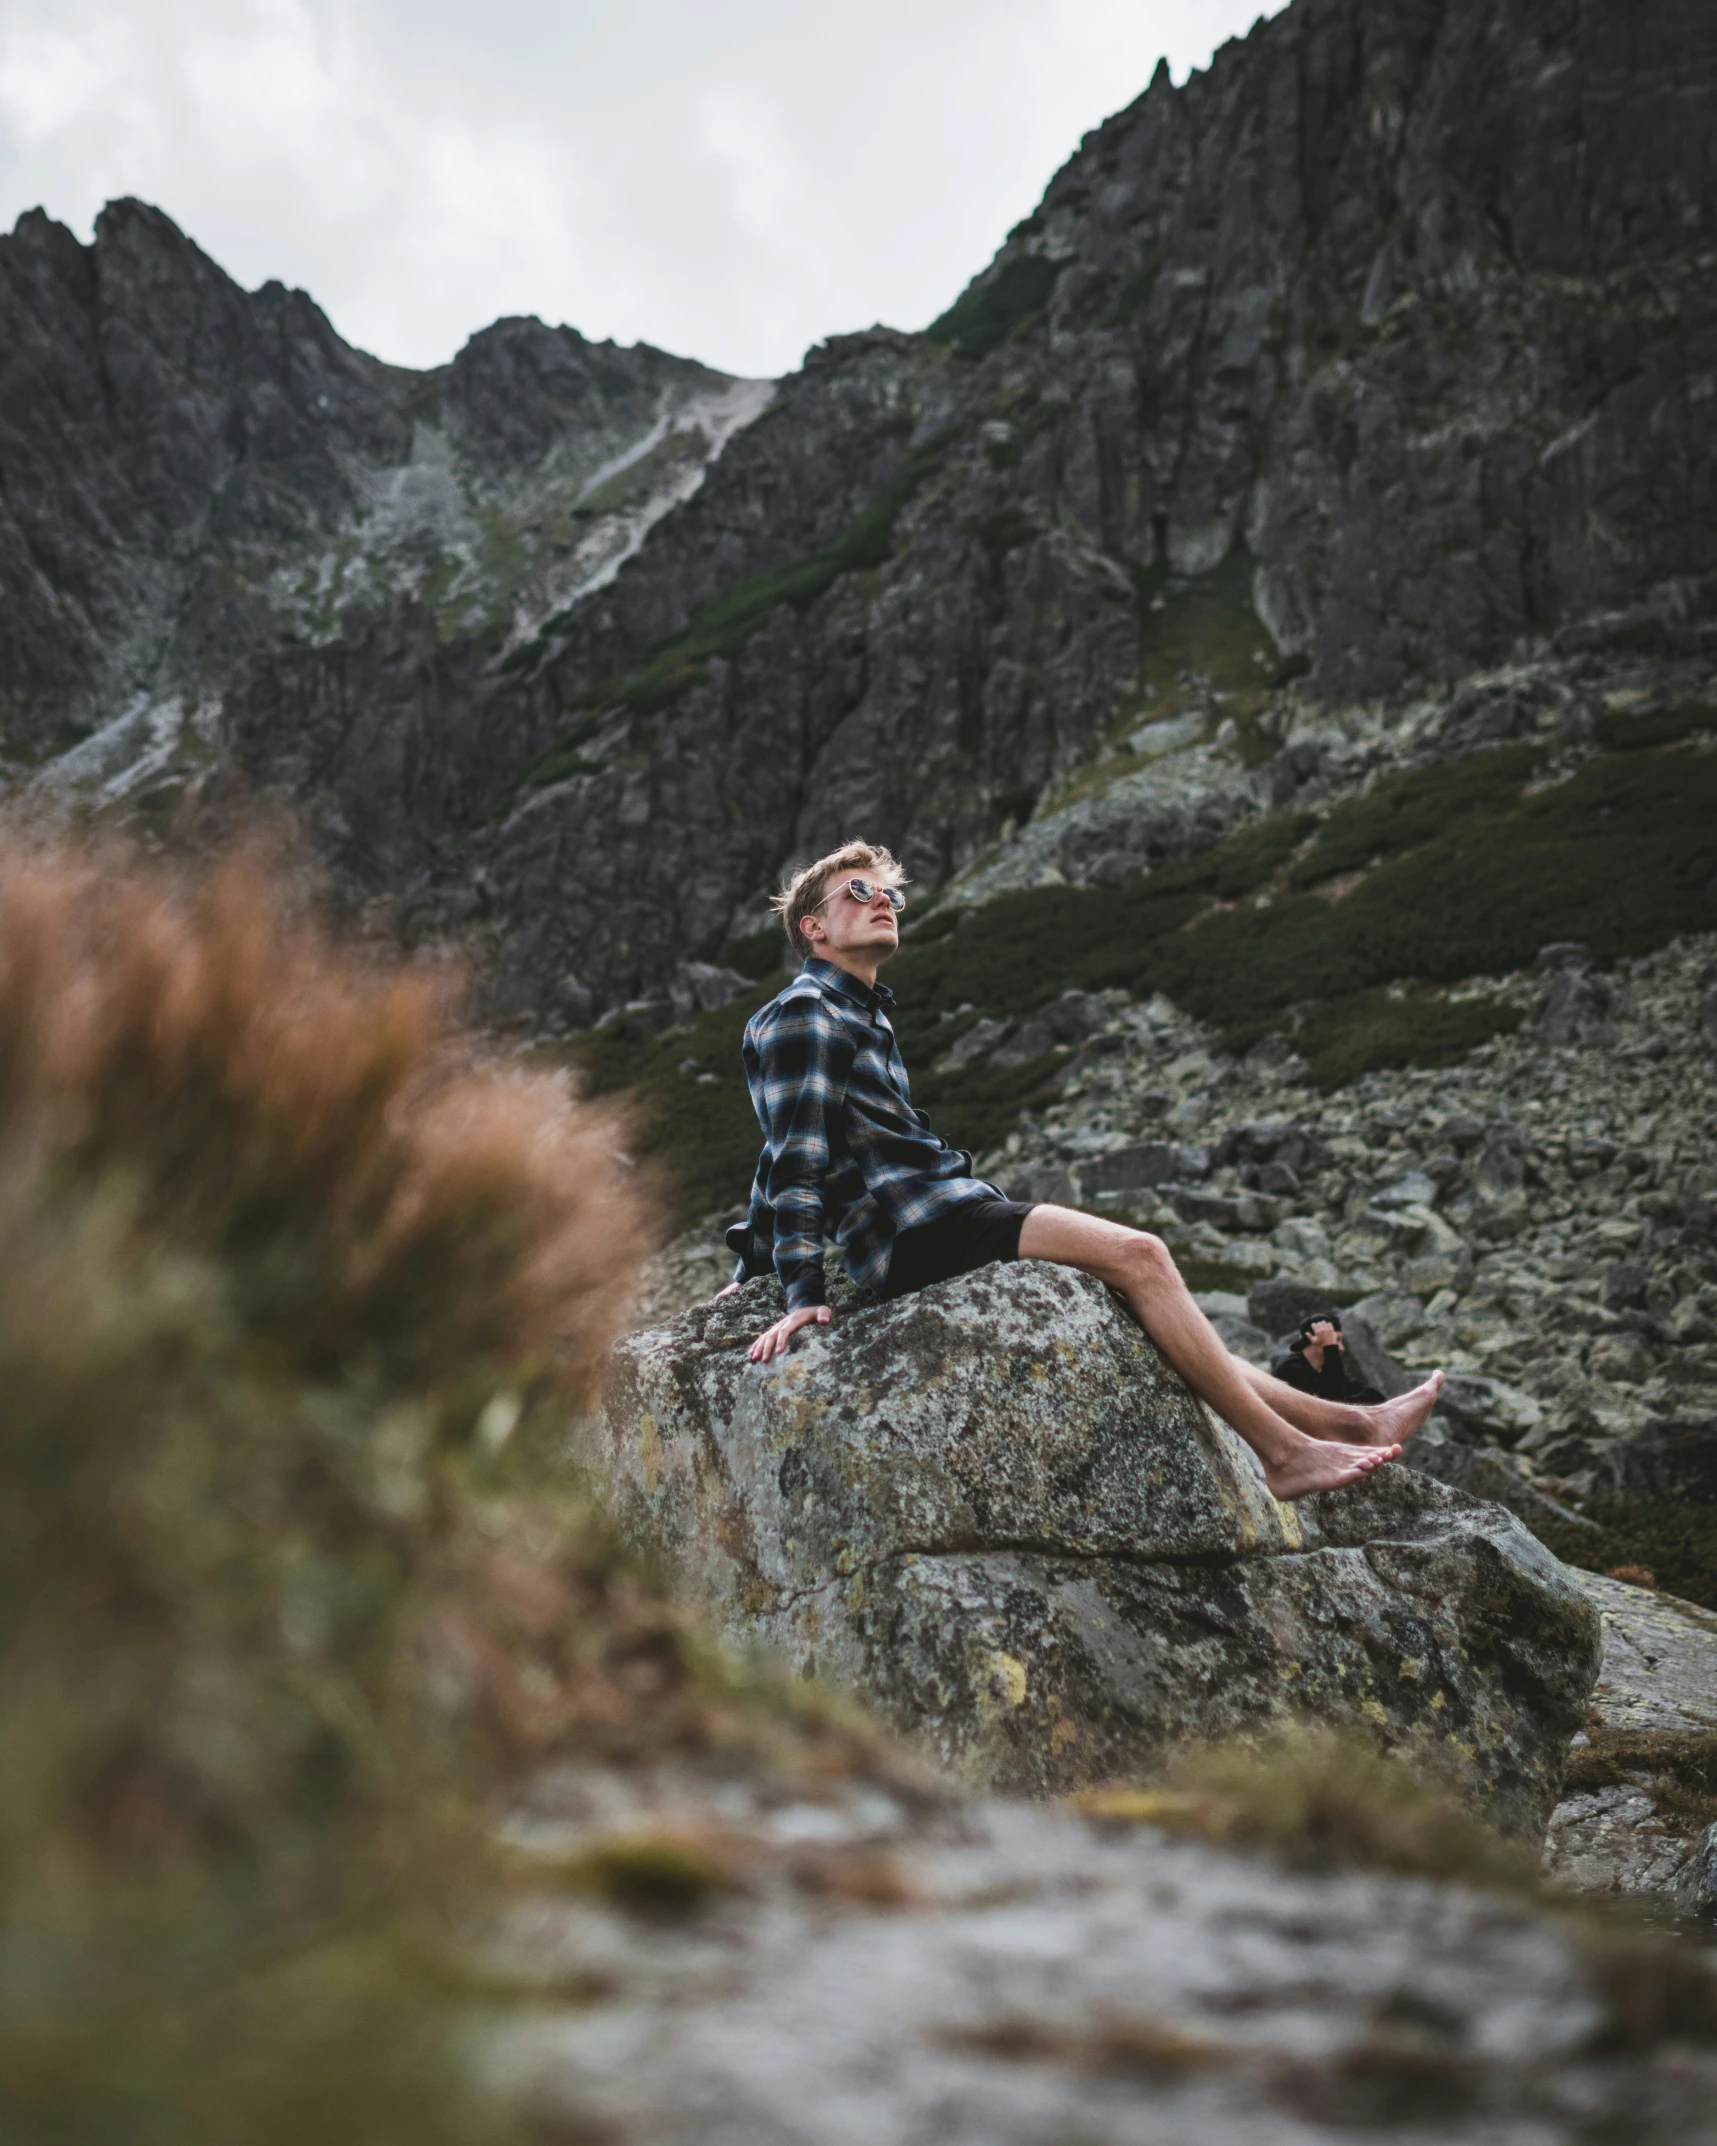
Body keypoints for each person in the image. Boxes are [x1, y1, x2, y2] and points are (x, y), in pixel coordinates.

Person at [716, 839, 1443, 1502]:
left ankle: (1352, 1424)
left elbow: (778, 1144)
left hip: (943, 1209)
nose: (883, 904)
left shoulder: (859, 1012)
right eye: (859, 893)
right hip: (919, 1229)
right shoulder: (804, 1012)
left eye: (890, 895)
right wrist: (796, 1289)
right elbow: (796, 1154)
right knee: (1141, 1254)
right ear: (812, 927)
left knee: (1135, 1295)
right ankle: (1283, 1455)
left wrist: (751, 1257)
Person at [1271, 1314, 1385, 1406]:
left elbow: (1375, 1398)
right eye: (1336, 1340)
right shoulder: (1289, 1370)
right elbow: (1332, 1403)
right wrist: (1330, 1348)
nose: (1341, 1347)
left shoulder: (1324, 1370)